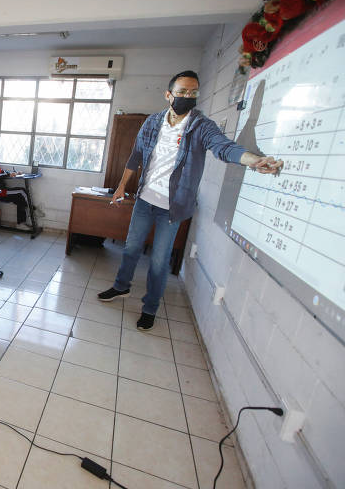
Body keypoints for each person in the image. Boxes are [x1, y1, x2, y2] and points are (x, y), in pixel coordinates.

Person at [97, 70, 283, 330]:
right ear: (169, 95)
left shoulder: (201, 126)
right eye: (182, 92)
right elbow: (136, 155)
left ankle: (150, 308)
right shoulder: (152, 122)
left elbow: (224, 147)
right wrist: (120, 187)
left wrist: (254, 160)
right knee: (131, 248)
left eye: (193, 92)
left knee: (159, 262)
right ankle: (121, 287)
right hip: (144, 201)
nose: (188, 96)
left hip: (172, 208)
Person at [0, 152, 30, 226]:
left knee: (19, 198)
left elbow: (4, 173)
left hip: (2, 190)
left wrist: (16, 173)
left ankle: (21, 224)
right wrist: (8, 174)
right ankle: (30, 209)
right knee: (22, 191)